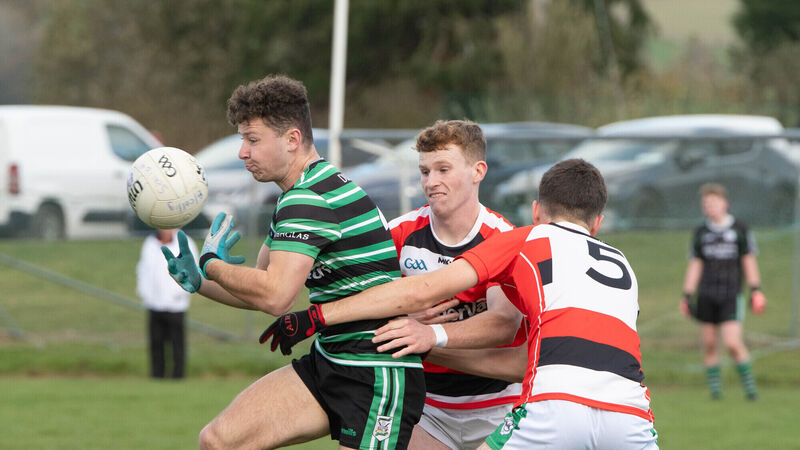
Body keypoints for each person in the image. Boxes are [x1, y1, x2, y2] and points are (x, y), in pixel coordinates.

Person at [265, 158, 658, 449]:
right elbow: (536, 359)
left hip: (555, 403)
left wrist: (318, 315)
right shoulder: (624, 266)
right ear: (598, 223)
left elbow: (420, 290)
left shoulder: (525, 238)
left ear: (537, 211)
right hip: (631, 412)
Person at [161, 75, 425, 449]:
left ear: (292, 139)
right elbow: (261, 285)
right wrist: (201, 280)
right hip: (331, 361)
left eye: (253, 140)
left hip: (376, 372)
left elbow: (275, 296)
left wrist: (212, 263)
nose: (242, 152)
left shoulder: (308, 199)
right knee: (220, 441)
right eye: (242, 140)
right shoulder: (301, 193)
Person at [371, 119, 526, 449]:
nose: (431, 182)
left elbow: (504, 323)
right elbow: (364, 307)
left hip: (499, 405)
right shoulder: (399, 234)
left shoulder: (502, 237)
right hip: (425, 406)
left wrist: (430, 336)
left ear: (478, 171)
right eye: (425, 171)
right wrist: (400, 319)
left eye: (443, 169)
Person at [680, 182, 765, 401]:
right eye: (706, 203)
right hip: (706, 295)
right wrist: (687, 294)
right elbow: (696, 264)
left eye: (713, 202)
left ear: (724, 203)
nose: (709, 207)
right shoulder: (701, 232)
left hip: (731, 295)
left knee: (732, 343)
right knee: (709, 344)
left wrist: (756, 289)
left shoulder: (739, 229)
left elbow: (748, 260)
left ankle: (750, 391)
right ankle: (716, 393)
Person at [136, 227, 197, 379]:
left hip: (176, 305)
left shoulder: (185, 243)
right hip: (154, 303)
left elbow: (192, 270)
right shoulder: (150, 243)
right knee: (156, 343)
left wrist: (180, 293)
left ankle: (178, 376)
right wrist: (146, 294)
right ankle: (157, 375)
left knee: (177, 343)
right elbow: (143, 270)